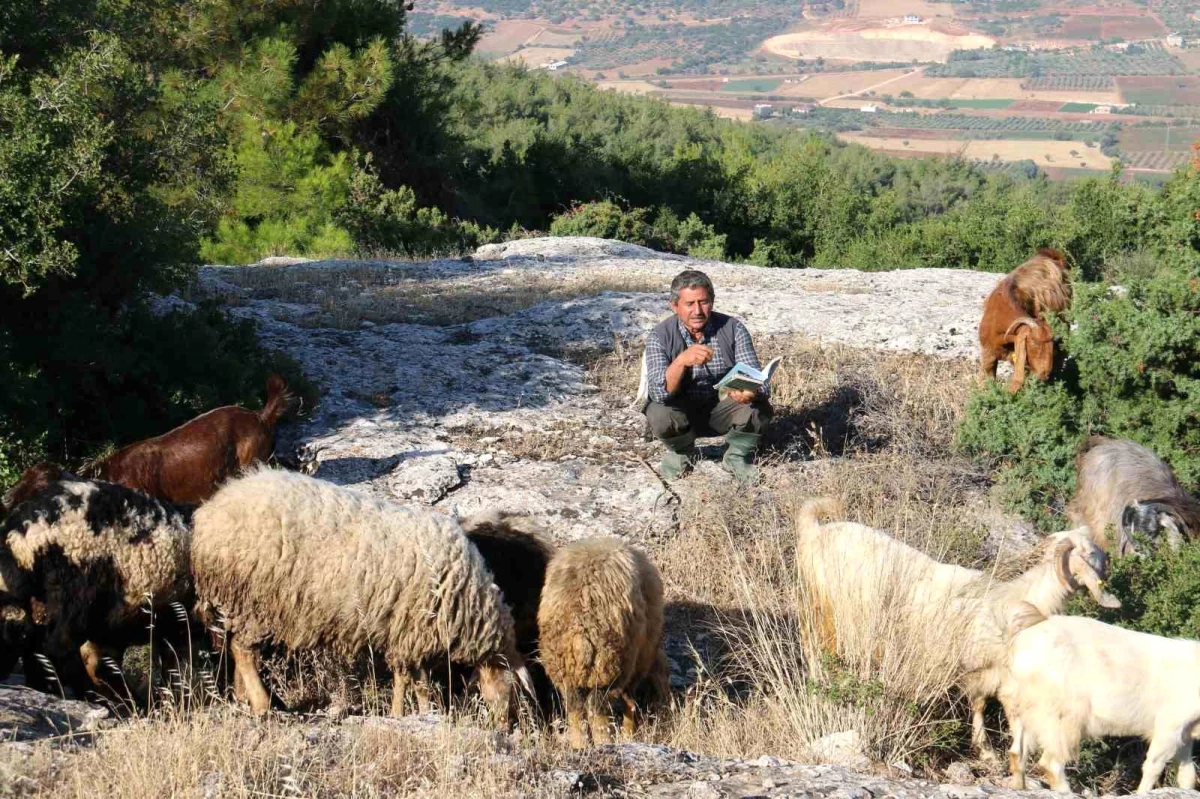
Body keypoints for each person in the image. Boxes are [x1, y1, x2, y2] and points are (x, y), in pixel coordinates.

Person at [639, 269, 773, 483]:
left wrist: (750, 392)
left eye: (703, 302)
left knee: (760, 407)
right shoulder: (660, 335)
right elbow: (658, 393)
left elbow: (762, 384)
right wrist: (681, 361)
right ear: (674, 306)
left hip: (723, 410)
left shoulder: (733, 328)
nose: (698, 311)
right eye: (689, 304)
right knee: (658, 413)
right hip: (682, 414)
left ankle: (736, 456)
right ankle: (682, 452)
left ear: (712, 301)